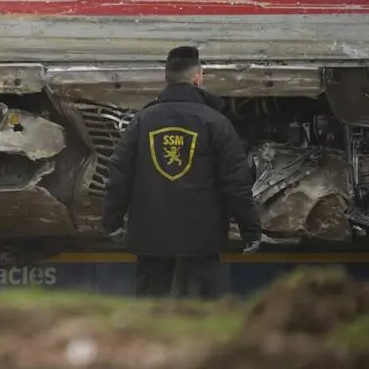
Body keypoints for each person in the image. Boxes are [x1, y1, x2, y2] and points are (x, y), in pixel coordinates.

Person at [101, 45, 263, 298]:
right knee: (204, 315)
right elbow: (236, 183)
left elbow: (118, 175)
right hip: (203, 238)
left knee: (149, 313)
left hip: (150, 236)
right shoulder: (215, 122)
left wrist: (112, 222)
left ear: (167, 78)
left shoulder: (143, 121)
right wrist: (250, 230)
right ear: (198, 77)